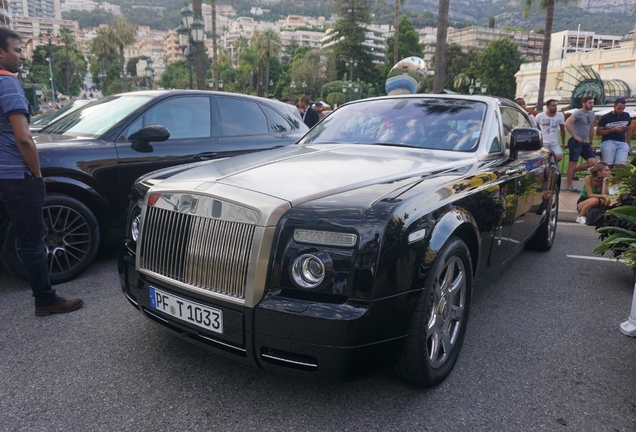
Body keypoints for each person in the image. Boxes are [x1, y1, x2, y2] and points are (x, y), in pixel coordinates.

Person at [0, 28, 83, 316]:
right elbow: (23, 137)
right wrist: (36, 176)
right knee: (32, 240)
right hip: (15, 178)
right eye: (18, 50)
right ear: (1, 53)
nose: (22, 56)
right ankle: (45, 300)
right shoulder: (7, 83)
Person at [564, 95, 597, 193]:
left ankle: (572, 172)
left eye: (593, 103)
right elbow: (567, 123)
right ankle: (570, 186)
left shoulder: (592, 114)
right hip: (575, 141)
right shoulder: (578, 113)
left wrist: (591, 142)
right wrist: (575, 136)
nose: (592, 105)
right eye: (590, 103)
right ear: (584, 103)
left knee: (592, 161)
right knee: (573, 163)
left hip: (584, 142)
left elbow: (591, 129)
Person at [597, 97, 632, 167]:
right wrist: (612, 130)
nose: (621, 110)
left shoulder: (626, 115)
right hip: (608, 141)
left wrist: (628, 143)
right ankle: (608, 177)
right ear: (614, 106)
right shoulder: (605, 117)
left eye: (623, 108)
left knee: (621, 166)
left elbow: (629, 129)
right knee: (608, 165)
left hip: (622, 142)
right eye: (619, 108)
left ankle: (617, 177)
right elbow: (598, 132)